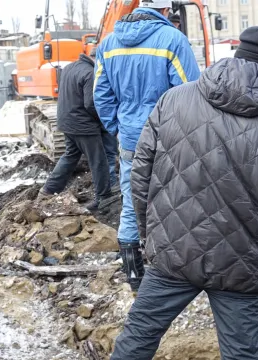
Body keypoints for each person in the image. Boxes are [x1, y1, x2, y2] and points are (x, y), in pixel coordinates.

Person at [112, 26, 258, 359]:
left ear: (238, 53)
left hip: (173, 251)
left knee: (138, 337)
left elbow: (141, 175)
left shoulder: (174, 100)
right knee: (242, 354)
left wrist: (151, 233)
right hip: (243, 265)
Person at [94, 0, 200, 292]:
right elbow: (191, 92)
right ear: (166, 9)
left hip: (130, 138)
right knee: (174, 198)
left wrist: (119, 128)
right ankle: (173, 267)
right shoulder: (172, 40)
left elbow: (101, 96)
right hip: (168, 138)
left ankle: (134, 274)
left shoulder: (108, 44)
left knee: (131, 199)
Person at [39, 48, 120, 211]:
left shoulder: (69, 68)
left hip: (67, 122)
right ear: (97, 58)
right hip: (84, 125)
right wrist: (104, 120)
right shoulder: (90, 73)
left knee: (70, 156)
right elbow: (90, 104)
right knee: (98, 160)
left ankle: (48, 189)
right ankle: (103, 197)